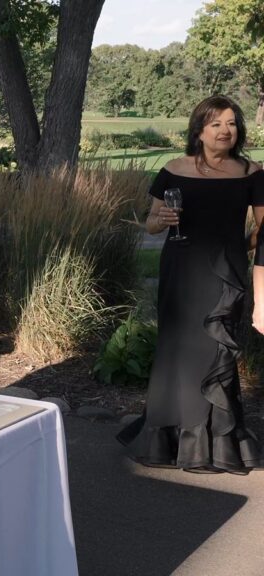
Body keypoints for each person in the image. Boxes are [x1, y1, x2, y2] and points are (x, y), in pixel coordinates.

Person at [118, 95, 264, 473]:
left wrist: (239, 247)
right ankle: (170, 436)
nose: (225, 131)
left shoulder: (251, 172)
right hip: (180, 269)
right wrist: (161, 220)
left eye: (231, 123)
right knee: (177, 349)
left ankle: (214, 442)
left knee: (216, 351)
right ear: (199, 130)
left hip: (225, 276)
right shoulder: (173, 168)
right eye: (216, 124)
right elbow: (150, 223)